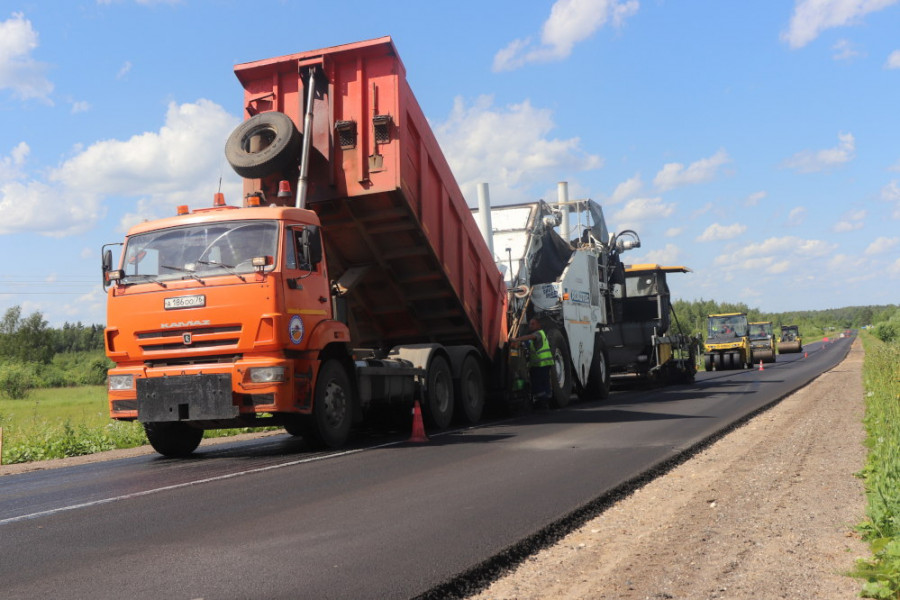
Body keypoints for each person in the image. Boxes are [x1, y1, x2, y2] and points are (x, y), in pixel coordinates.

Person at [512, 318, 555, 407]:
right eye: (530, 324)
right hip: (543, 364)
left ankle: (542, 402)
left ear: (539, 325)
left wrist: (516, 339)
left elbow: (530, 337)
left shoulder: (538, 334)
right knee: (544, 383)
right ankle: (545, 401)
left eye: (533, 324)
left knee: (538, 384)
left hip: (541, 364)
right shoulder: (539, 335)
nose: (530, 326)